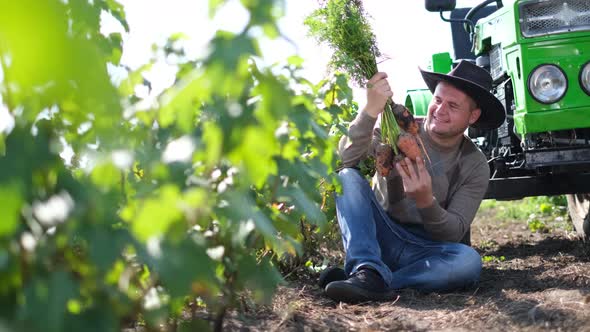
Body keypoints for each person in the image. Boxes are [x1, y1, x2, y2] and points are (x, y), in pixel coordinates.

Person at [322, 60, 506, 303]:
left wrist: (425, 201)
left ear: (473, 116)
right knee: (346, 177)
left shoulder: (475, 165)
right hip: (381, 236)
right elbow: (342, 162)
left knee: (468, 262)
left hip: (426, 251)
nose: (440, 111)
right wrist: (369, 111)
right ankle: (366, 268)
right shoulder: (395, 132)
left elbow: (454, 232)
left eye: (453, 106)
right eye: (438, 100)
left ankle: (376, 280)